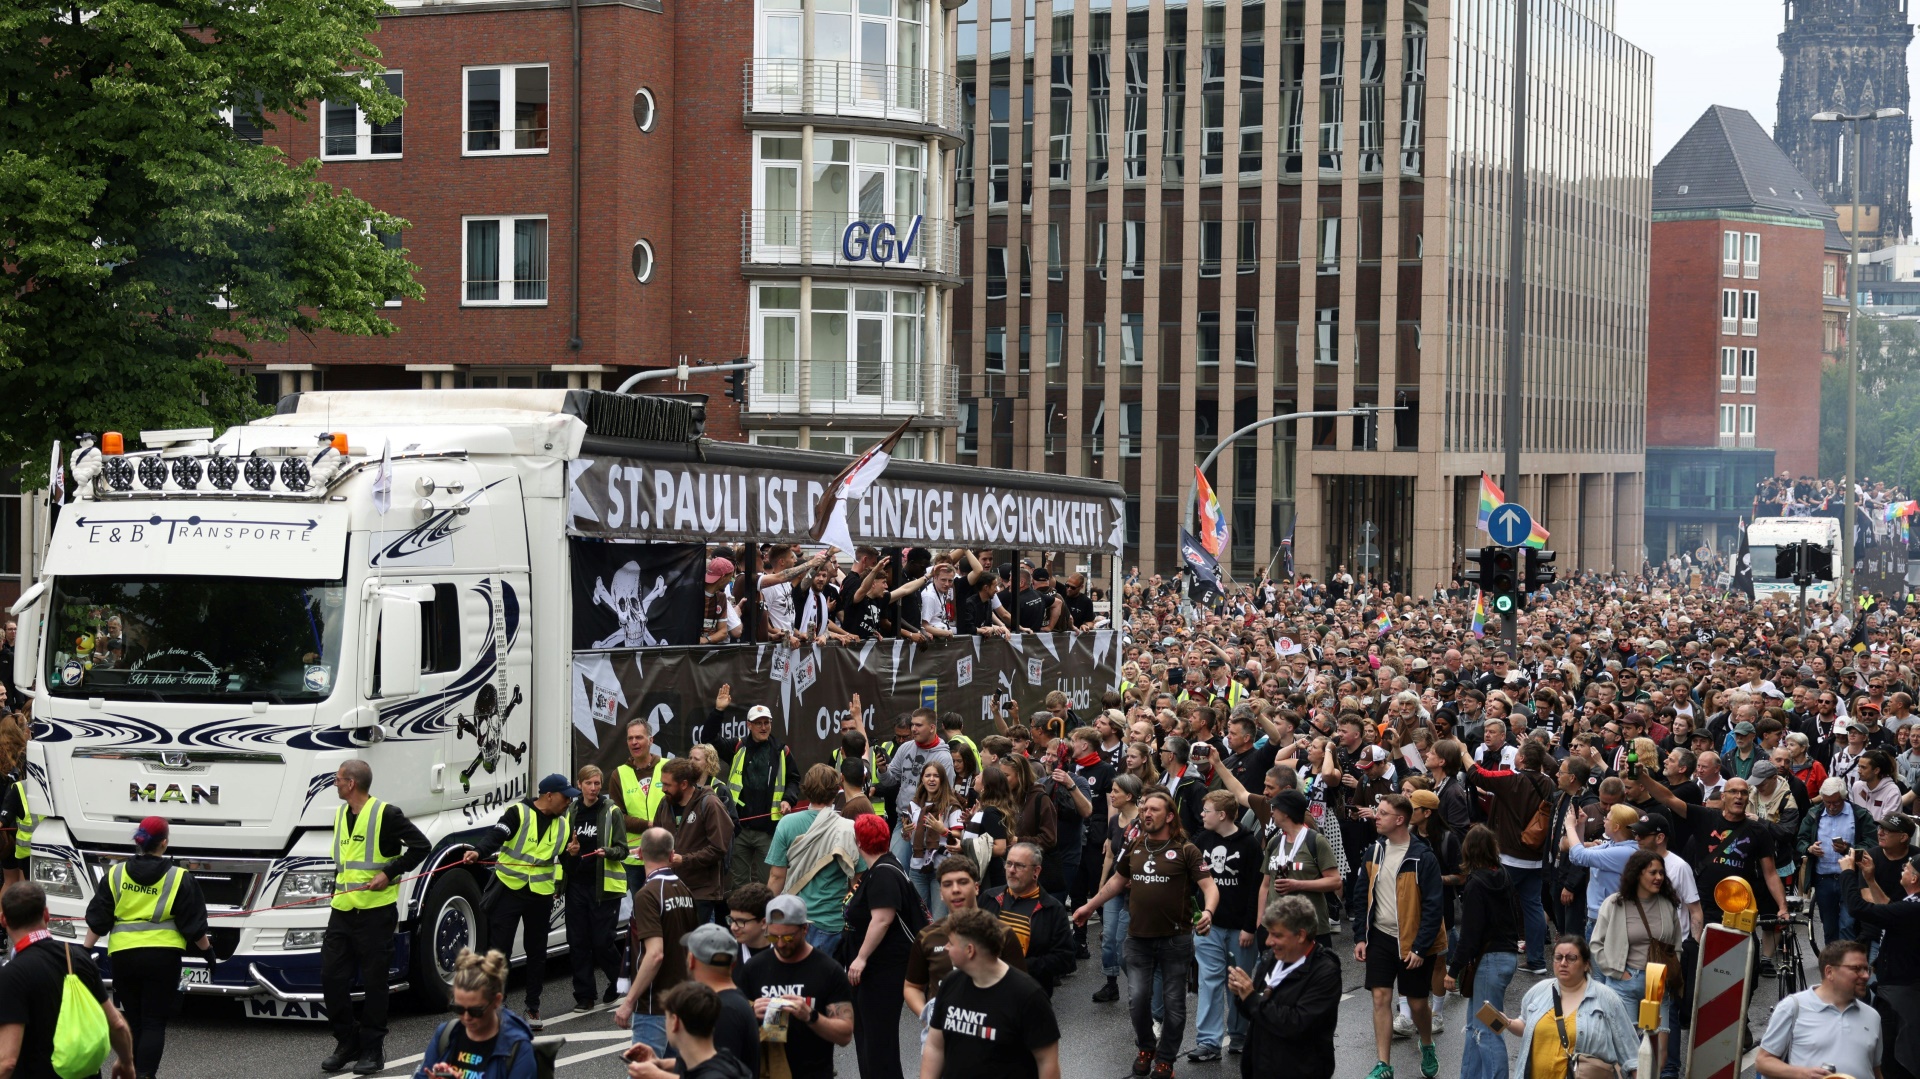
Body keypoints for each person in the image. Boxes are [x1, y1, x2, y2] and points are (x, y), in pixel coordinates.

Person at [1072, 788, 1219, 1079]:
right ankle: (1147, 1047)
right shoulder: (1136, 846)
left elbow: (1210, 887)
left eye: (1153, 809)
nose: (1146, 814)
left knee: (1174, 1004)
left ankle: (1165, 1060)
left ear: (1169, 816)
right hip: (1138, 938)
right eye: (1144, 809)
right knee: (1138, 1000)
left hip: (1175, 939)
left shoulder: (1186, 849)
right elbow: (1117, 881)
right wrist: (1089, 906)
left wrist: (1208, 912)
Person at [82, 816, 213, 1079]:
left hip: (123, 958)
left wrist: (85, 951)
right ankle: (144, 1075)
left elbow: (99, 919)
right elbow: (194, 925)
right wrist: (208, 953)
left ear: (139, 841)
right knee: (154, 1022)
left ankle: (132, 1072)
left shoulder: (115, 874)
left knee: (134, 1019)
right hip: (163, 959)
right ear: (164, 843)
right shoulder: (179, 878)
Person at [323, 759, 430, 1074]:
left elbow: (420, 846)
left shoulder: (387, 814)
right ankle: (347, 1040)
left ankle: (373, 1049)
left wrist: (389, 872)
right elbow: (343, 864)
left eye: (338, 779)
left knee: (375, 984)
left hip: (375, 913)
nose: (335, 783)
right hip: (342, 911)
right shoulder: (342, 814)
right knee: (331, 978)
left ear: (351, 783)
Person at [463, 773, 576, 1029]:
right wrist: (478, 851)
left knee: (537, 952)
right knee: (499, 952)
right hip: (509, 890)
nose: (569, 802)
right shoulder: (518, 813)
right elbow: (496, 836)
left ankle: (533, 1009)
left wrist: (573, 855)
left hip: (541, 893)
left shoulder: (564, 824)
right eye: (565, 796)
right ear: (549, 796)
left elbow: (568, 864)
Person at [0, 881, 138, 1079]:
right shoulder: (77, 957)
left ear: (3, 920)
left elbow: (7, 1062)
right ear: (46, 915)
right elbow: (117, 1024)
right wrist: (126, 1062)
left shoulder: (11, 975)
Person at [1355, 793, 1447, 1079]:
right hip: (1381, 937)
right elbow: (1360, 896)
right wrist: (1361, 936)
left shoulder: (1423, 856)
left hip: (1415, 941)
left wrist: (1420, 948)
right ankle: (1384, 1064)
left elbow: (1434, 906)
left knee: (1417, 1003)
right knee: (1380, 997)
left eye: (1382, 813)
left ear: (1399, 819)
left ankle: (1427, 1043)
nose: (1376, 816)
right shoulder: (1374, 852)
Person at [918, 906, 1063, 1079]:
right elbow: (935, 1046)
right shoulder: (950, 983)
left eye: (951, 943)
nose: (947, 948)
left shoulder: (1028, 996)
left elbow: (1047, 1062)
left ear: (970, 950)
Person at [733, 894, 855, 1079]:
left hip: (814, 1072)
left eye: (788, 937)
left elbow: (845, 1035)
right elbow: (733, 1028)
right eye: (773, 936)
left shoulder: (828, 971)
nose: (780, 944)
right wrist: (750, 1014)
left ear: (805, 929)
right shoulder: (754, 968)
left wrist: (810, 1015)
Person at [1487, 935, 1639, 1079]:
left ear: (1586, 964)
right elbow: (1525, 1025)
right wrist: (1507, 1022)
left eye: (1571, 958)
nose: (1563, 963)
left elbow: (1631, 1053)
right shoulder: (1539, 991)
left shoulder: (1607, 999)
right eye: (1558, 958)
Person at [1465, 742, 1558, 974]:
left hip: (1510, 857)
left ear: (1523, 759)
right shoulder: (1548, 782)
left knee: (1494, 905)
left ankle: (1493, 960)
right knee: (1533, 906)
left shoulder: (1512, 779)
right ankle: (1537, 962)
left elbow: (1478, 774)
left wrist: (1463, 752)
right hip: (1536, 857)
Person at [844, 813, 923, 1079]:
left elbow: (882, 919)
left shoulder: (883, 874)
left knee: (878, 1041)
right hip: (878, 969)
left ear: (858, 842)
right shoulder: (881, 868)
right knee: (870, 1037)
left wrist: (861, 958)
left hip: (884, 969)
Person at [1228, 896, 1342, 1079]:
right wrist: (1241, 994)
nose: (1268, 942)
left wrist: (1250, 998)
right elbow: (1256, 1012)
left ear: (1301, 935)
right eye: (1269, 933)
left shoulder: (1324, 973)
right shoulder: (1272, 959)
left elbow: (1297, 1024)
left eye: (1277, 935)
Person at [905, 856, 1027, 1024]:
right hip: (942, 1039)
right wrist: (928, 1016)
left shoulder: (1002, 933)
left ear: (977, 887)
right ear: (940, 893)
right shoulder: (927, 937)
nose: (955, 889)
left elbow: (1020, 988)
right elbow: (912, 987)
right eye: (947, 884)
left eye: (963, 882)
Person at [1589, 849, 1681, 1068]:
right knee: (1627, 1053)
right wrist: (1619, 972)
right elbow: (1596, 943)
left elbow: (1675, 945)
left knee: (1659, 1053)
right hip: (1625, 983)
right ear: (1637, 874)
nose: (1658, 877)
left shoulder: (1667, 904)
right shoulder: (1615, 903)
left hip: (1659, 985)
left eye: (1661, 873)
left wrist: (1669, 974)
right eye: (1652, 873)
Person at [1191, 789, 1263, 1062]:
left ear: (1221, 815)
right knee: (1209, 981)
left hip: (1239, 929)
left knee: (1239, 982)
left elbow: (1256, 889)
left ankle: (1239, 1035)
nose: (1202, 815)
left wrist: (1249, 927)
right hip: (1209, 926)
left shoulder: (1248, 845)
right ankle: (1208, 1042)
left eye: (1206, 810)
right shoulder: (1202, 840)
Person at [614, 828, 700, 1055]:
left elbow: (655, 954)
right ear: (672, 855)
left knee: (646, 1071)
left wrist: (629, 1001)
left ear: (640, 853)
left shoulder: (647, 894)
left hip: (653, 1004)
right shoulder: (684, 890)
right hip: (681, 1000)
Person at [765, 764, 863, 955]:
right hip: (832, 922)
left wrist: (768, 915)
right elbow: (858, 881)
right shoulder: (848, 828)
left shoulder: (787, 823)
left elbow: (777, 877)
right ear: (836, 791)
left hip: (792, 920)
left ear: (806, 789)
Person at [1450, 824, 1521, 1079]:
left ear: (1468, 850)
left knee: (1487, 1028)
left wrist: (1453, 970)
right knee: (1474, 1026)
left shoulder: (1475, 885)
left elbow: (1470, 935)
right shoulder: (1502, 874)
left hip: (1489, 962)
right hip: (1506, 955)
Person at [1843, 845, 1920, 1077]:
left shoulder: (1913, 909)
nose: (1903, 869)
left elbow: (1859, 908)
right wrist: (1870, 879)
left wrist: (1848, 872)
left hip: (1902, 996)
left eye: (1906, 867)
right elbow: (1889, 911)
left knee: (1896, 1058)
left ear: (1915, 878)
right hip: (1898, 990)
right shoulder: (1912, 905)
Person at [1755, 940, 1882, 1079]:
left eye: (1866, 969)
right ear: (1829, 972)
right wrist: (1803, 1073)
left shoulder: (1872, 1016)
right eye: (1857, 969)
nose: (1866, 976)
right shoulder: (1793, 1007)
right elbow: (1763, 1061)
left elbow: (1874, 1070)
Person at [710, 686, 793, 891]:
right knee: (739, 885)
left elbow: (794, 779)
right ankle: (743, 921)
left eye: (766, 723)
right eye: (758, 723)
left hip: (767, 832)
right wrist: (718, 711)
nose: (763, 727)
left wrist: (788, 799)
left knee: (769, 885)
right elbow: (709, 738)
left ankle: (767, 921)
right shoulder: (737, 747)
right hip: (739, 830)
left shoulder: (781, 750)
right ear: (749, 725)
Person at [562, 763, 629, 1012]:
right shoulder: (571, 811)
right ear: (579, 785)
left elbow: (623, 849)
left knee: (602, 941)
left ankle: (620, 981)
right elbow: (564, 849)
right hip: (577, 885)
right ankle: (585, 995)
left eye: (597, 783)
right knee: (578, 941)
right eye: (588, 783)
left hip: (604, 888)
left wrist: (608, 851)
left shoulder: (611, 811)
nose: (593, 788)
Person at [412, 948, 538, 1079]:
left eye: (476, 1011)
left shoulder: (516, 1048)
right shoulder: (446, 1034)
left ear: (496, 1001)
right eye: (459, 1009)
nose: (466, 1018)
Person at [1257, 788, 1343, 952]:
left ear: (1286, 812)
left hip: (1310, 929)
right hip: (1277, 929)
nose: (1272, 812)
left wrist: (1298, 885)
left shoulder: (1315, 841)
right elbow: (1265, 885)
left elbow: (1335, 881)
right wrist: (1261, 922)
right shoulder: (1274, 842)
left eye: (1274, 808)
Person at [653, 757, 735, 925]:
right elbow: (656, 834)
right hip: (670, 887)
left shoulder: (709, 803)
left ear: (683, 784)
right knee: (675, 944)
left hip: (700, 891)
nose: (663, 789)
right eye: (662, 784)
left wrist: (684, 860)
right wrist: (649, 850)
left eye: (667, 785)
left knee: (694, 945)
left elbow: (718, 848)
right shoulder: (665, 804)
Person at [987, 842, 1076, 994]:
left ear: (1036, 871)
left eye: (1020, 866)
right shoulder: (989, 899)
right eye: (1008, 864)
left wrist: (1018, 966)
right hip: (989, 992)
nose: (1012, 870)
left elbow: (1065, 960)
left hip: (1029, 995)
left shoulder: (1052, 909)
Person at [1798, 776, 1874, 949]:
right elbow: (1800, 839)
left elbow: (1872, 844)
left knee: (1847, 924)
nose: (1831, 807)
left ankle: (1846, 963)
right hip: (1823, 878)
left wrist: (1849, 850)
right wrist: (1809, 849)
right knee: (1829, 925)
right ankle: (1832, 963)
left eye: (1836, 803)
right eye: (1827, 803)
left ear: (1844, 798)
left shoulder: (1859, 815)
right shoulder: (1814, 813)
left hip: (1851, 878)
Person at [622, 982, 756, 1079]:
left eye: (666, 1017)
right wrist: (659, 1064)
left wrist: (657, 1076)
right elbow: (698, 1067)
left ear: (675, 1022)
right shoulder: (726, 1058)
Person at [678, 922, 761, 1070]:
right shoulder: (732, 1001)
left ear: (691, 961)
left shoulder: (723, 1010)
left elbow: (720, 1073)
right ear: (733, 964)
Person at [903, 760, 966, 921]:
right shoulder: (914, 805)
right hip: (917, 867)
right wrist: (906, 831)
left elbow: (959, 836)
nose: (931, 779)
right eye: (928, 775)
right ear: (922, 780)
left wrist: (943, 830)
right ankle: (922, 946)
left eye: (936, 776)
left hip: (942, 868)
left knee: (939, 919)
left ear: (942, 780)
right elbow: (908, 837)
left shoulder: (951, 805)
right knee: (918, 917)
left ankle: (939, 947)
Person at [615, 717, 671, 892]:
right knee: (641, 909)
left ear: (651, 740)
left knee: (667, 907)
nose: (634, 742)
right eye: (630, 738)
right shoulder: (619, 774)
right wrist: (648, 825)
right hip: (634, 859)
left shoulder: (668, 767)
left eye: (639, 737)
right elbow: (618, 817)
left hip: (666, 853)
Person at [725, 883, 774, 963]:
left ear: (764, 922)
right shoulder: (726, 956)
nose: (733, 927)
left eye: (741, 921)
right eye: (731, 920)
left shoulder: (787, 954)